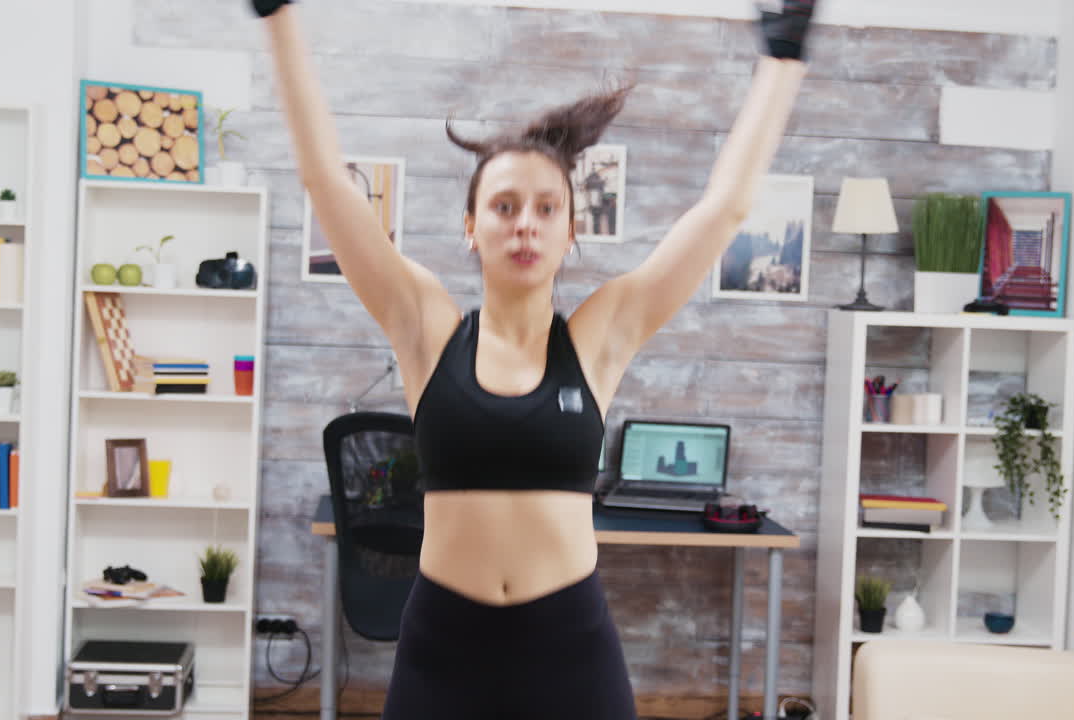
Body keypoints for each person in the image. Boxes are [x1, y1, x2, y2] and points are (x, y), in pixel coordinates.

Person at [252, 1, 816, 717]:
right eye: (505, 205)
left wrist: (783, 59)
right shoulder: (425, 325)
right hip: (444, 652)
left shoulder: (599, 336)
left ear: (571, 230)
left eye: (547, 208)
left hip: (568, 652)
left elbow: (724, 209)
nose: (525, 222)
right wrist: (277, 18)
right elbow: (327, 184)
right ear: (470, 228)